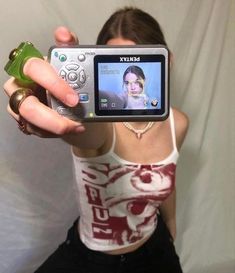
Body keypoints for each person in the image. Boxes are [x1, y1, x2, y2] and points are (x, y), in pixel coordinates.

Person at [3, 6, 189, 273]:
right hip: (94, 259)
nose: (132, 82)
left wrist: (170, 227)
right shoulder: (98, 124)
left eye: (138, 63)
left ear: (165, 62)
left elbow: (168, 178)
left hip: (155, 245)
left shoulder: (178, 123)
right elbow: (85, 132)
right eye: (116, 62)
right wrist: (67, 107)